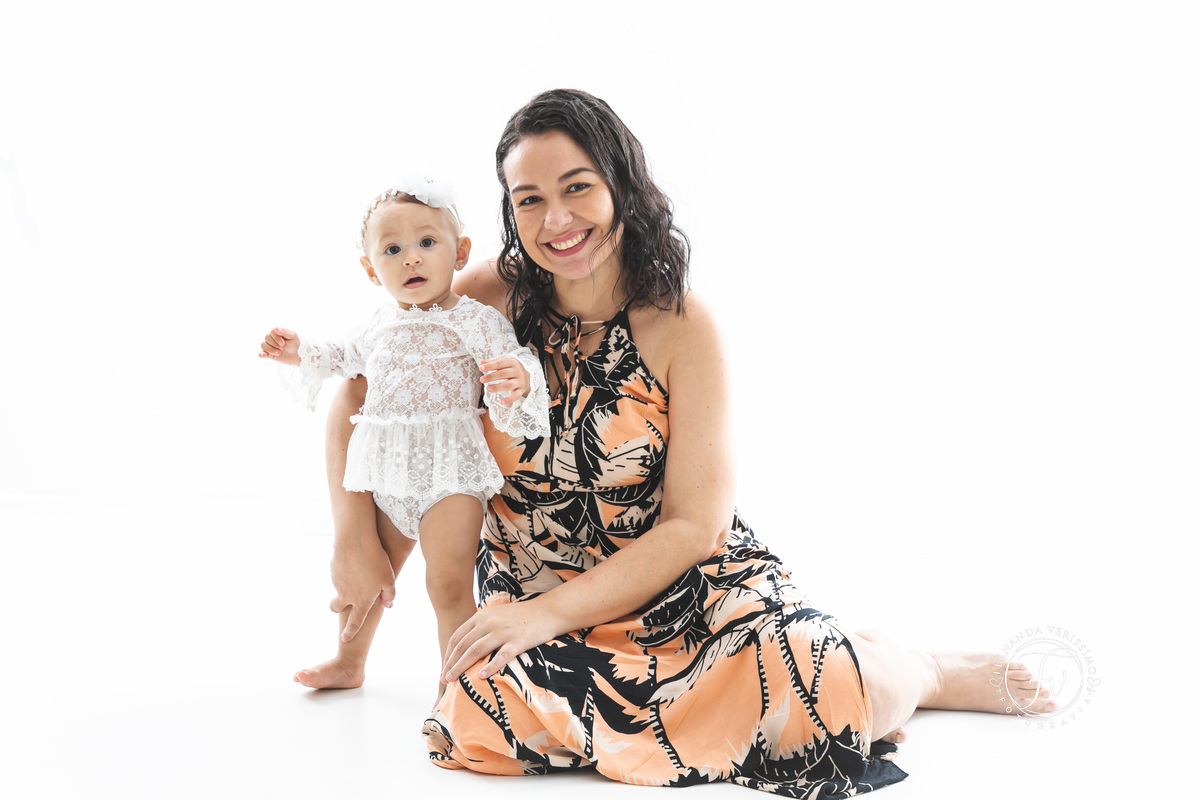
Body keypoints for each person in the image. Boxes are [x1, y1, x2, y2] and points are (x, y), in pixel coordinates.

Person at [323, 91, 1057, 796]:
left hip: (686, 591)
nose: (557, 220)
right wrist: (353, 533)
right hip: (536, 593)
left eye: (577, 187)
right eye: (530, 200)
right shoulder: (484, 296)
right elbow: (364, 397)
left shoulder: (681, 325)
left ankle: (921, 670)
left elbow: (694, 526)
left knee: (823, 690)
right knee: (470, 720)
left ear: (620, 184)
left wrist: (546, 616)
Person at [259, 179, 550, 690]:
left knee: (447, 584)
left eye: (427, 243)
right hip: (388, 473)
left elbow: (517, 357)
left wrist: (520, 375)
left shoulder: (475, 320)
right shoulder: (377, 325)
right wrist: (299, 349)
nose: (411, 258)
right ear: (372, 270)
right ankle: (349, 661)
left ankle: (457, 685)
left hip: (450, 476)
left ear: (460, 253)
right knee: (371, 576)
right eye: (392, 250)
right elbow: (341, 358)